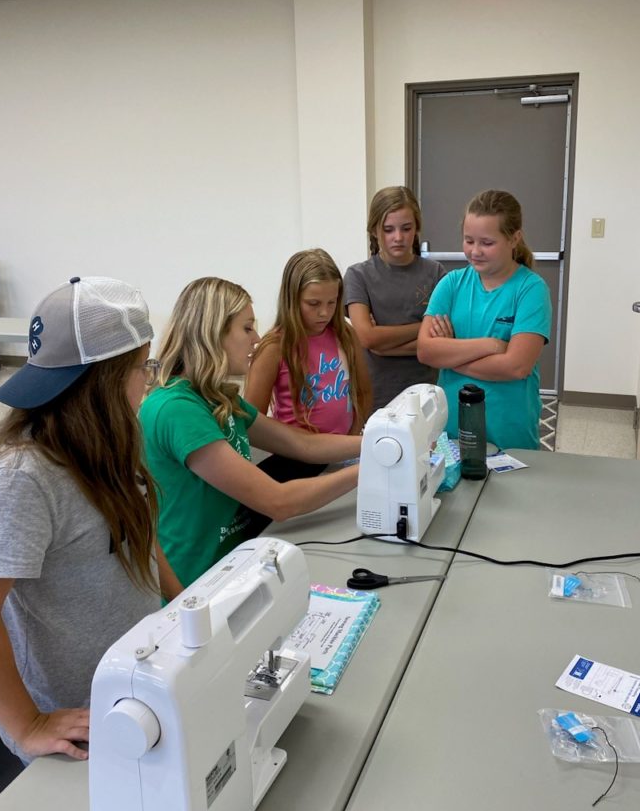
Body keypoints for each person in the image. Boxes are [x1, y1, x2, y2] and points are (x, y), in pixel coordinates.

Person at [0, 276, 180, 765]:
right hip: (79, 723)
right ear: (105, 381)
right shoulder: (23, 479)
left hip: (136, 686)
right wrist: (27, 723)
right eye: (145, 368)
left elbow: (137, 539)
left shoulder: (113, 444)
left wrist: (181, 608)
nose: (149, 381)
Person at [139, 277, 362, 589]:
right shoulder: (177, 409)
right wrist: (367, 470)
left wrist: (372, 443)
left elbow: (301, 444)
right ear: (213, 332)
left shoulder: (218, 396)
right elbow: (278, 502)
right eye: (247, 328)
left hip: (234, 565)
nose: (257, 338)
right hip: (196, 581)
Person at [417, 189, 552, 450]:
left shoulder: (531, 290)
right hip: (453, 432)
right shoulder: (452, 284)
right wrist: (490, 345)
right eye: (469, 240)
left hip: (509, 435)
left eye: (487, 243)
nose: (475, 251)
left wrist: (451, 355)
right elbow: (425, 351)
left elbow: (516, 367)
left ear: (514, 239)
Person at [246, 248, 371, 438]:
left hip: (343, 448)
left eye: (332, 302)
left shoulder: (346, 335)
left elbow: (364, 392)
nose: (324, 312)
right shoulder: (274, 347)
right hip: (294, 457)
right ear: (292, 299)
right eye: (313, 304)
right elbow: (252, 421)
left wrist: (351, 438)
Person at [344, 186, 445, 410]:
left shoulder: (436, 273)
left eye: (406, 228)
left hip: (426, 394)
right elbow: (368, 338)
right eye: (388, 229)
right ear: (374, 231)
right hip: (376, 396)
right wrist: (424, 328)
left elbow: (443, 341)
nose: (398, 237)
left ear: (417, 227)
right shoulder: (358, 275)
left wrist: (384, 346)